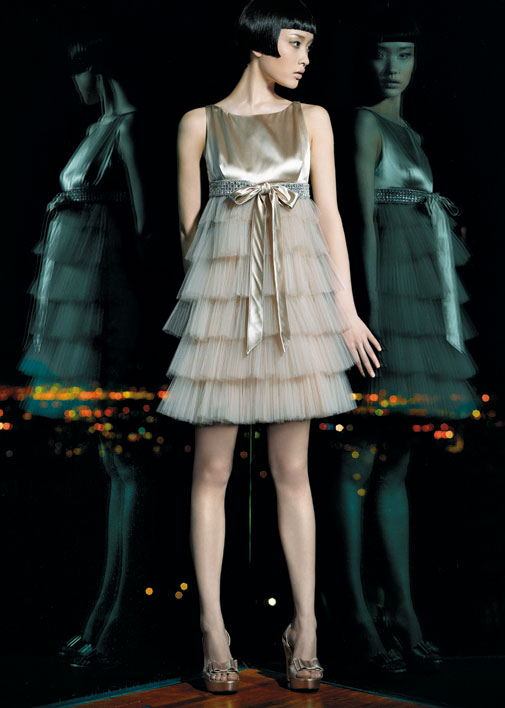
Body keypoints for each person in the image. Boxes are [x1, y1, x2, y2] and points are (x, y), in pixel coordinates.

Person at [158, 0, 381, 693]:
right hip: (226, 313)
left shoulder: (312, 119)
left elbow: (331, 218)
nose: (305, 58)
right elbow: (190, 236)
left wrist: (345, 311)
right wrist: (210, 322)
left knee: (293, 473)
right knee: (211, 473)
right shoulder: (198, 123)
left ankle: (305, 628)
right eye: (295, 43)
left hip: (295, 311)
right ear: (259, 43)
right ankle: (213, 629)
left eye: (308, 46)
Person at [325, 9, 478, 674]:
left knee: (396, 465)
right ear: (366, 59)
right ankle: (356, 616)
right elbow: (358, 221)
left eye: (405, 53)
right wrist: (366, 316)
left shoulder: (410, 131)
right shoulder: (364, 122)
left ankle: (402, 612)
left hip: (419, 301)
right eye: (382, 52)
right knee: (358, 459)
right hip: (383, 302)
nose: (393, 66)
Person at [20, 35, 154, 668]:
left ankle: (118, 616)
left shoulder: (126, 128)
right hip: (85, 313)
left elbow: (146, 229)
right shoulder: (101, 127)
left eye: (78, 71)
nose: (73, 84)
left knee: (125, 461)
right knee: (113, 462)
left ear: (95, 72)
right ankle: (106, 614)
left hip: (109, 310)